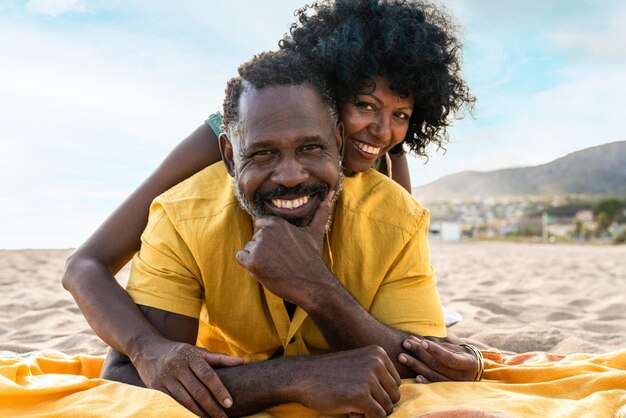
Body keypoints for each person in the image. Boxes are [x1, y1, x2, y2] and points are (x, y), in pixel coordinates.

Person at [62, 0, 476, 415]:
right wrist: (149, 349)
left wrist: (466, 358)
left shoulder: (384, 167)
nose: (383, 129)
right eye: (365, 105)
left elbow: (394, 249)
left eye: (401, 114)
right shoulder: (218, 150)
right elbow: (86, 265)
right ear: (329, 92)